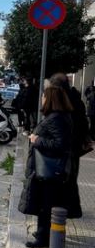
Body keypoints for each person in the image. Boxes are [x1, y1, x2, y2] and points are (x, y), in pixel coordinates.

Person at [18, 85, 73, 248]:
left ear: (50, 99)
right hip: (48, 169)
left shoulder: (56, 118)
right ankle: (43, 232)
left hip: (49, 170)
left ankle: (43, 238)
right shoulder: (57, 116)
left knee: (46, 205)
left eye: (43, 96)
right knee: (44, 203)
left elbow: (59, 144)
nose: (41, 99)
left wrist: (36, 140)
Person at [49, 72, 87, 219]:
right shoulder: (76, 98)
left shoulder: (65, 100)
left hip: (67, 145)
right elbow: (83, 123)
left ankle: (68, 209)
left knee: (65, 177)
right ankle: (73, 209)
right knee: (71, 177)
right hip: (74, 144)